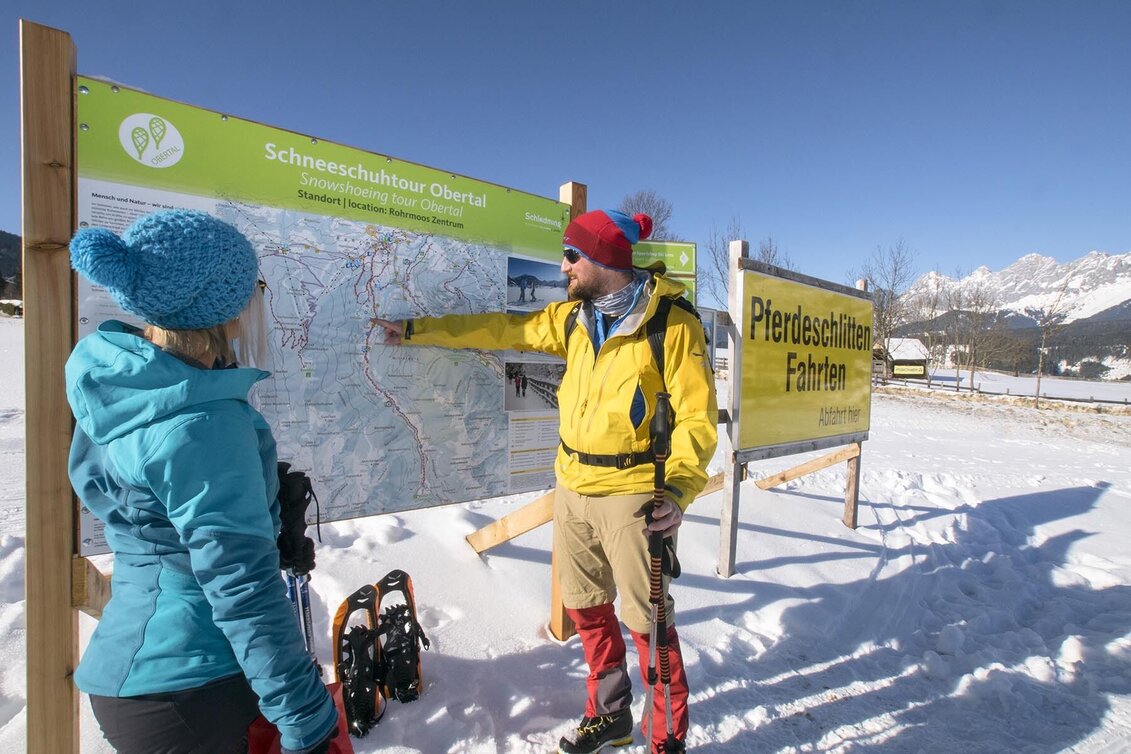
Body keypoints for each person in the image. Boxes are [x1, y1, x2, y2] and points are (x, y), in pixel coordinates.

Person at [374, 209, 717, 753]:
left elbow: (697, 420)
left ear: (604, 258)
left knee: (648, 622)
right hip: (572, 488)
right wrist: (417, 330)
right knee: (586, 607)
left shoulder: (671, 324)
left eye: (572, 255)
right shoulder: (573, 319)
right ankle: (610, 716)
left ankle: (665, 738)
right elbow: (503, 329)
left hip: (633, 496)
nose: (563, 267)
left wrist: (677, 491)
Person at [66, 210, 339, 754]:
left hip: (140, 671)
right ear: (223, 306)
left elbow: (146, 511)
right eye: (254, 287)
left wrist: (259, 513)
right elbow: (242, 587)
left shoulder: (127, 383)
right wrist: (306, 716)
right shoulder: (204, 423)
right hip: (195, 684)